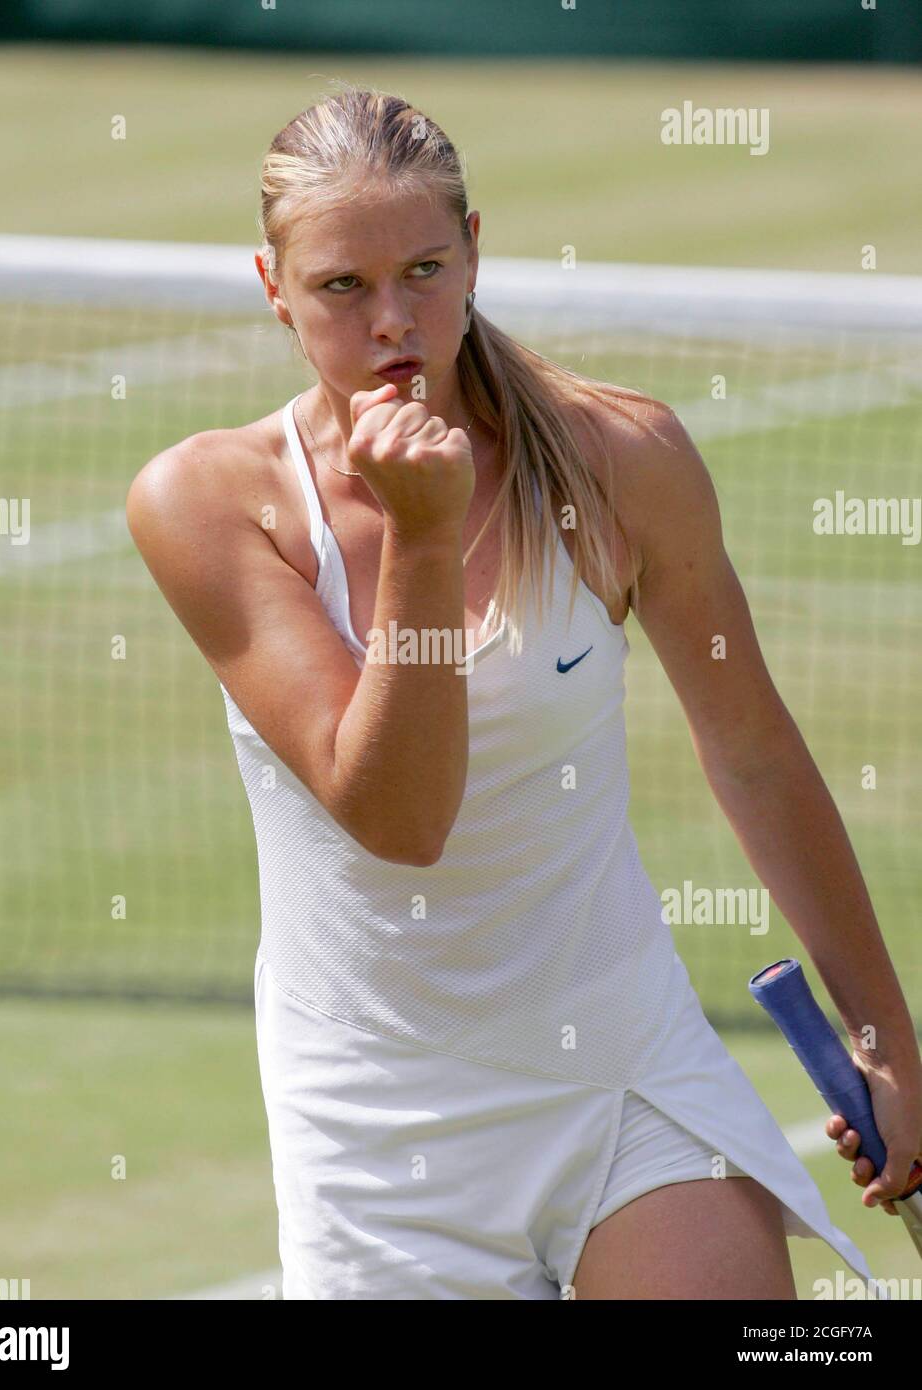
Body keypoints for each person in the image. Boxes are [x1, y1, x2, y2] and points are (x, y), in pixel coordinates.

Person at [126, 85, 921, 1300]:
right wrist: (423, 541)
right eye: (342, 286)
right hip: (378, 1141)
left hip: (623, 1082)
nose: (394, 322)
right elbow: (399, 816)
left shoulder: (623, 458)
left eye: (426, 270)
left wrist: (883, 1036)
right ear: (273, 287)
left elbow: (754, 751)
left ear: (475, 250)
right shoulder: (203, 503)